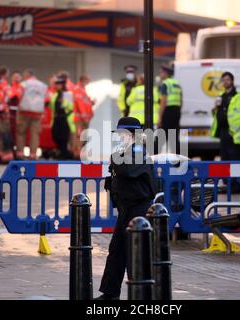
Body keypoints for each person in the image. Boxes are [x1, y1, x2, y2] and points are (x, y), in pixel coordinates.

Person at [97, 117, 156, 300]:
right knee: (117, 251)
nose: (119, 137)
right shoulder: (126, 150)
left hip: (138, 208)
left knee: (135, 253)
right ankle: (110, 293)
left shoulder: (138, 150)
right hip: (126, 208)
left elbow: (128, 170)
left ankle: (140, 294)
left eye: (122, 134)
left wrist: (115, 159)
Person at [210, 72, 240, 193]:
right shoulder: (221, 96)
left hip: (233, 134)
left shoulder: (238, 96)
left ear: (232, 81)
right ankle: (227, 185)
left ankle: (236, 186)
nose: (225, 82)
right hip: (223, 132)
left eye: (228, 79)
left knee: (234, 159)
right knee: (224, 159)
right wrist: (215, 109)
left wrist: (233, 130)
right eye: (224, 80)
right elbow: (217, 114)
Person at [16, 69, 48, 160]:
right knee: (35, 134)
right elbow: (47, 99)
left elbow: (17, 96)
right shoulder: (43, 85)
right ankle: (33, 154)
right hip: (37, 112)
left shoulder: (23, 84)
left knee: (21, 132)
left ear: (27, 75)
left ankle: (20, 153)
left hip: (24, 111)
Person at [158, 64, 182, 154]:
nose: (160, 75)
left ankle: (154, 160)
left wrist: (160, 117)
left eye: (161, 73)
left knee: (161, 135)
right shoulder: (177, 84)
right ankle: (177, 160)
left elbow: (163, 101)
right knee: (174, 137)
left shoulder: (165, 84)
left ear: (166, 73)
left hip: (168, 111)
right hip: (176, 111)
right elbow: (181, 100)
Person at [50, 76, 75, 160]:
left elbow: (71, 107)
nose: (57, 86)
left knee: (64, 137)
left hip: (65, 118)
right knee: (55, 136)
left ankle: (64, 154)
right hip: (56, 118)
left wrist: (64, 103)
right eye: (56, 84)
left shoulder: (68, 94)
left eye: (59, 84)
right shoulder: (55, 95)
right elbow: (52, 106)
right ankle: (62, 152)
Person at [73, 74, 95, 155]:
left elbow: (85, 103)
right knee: (79, 135)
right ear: (83, 80)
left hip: (84, 117)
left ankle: (79, 151)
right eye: (87, 80)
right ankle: (77, 152)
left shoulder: (83, 89)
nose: (88, 82)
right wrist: (84, 115)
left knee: (83, 135)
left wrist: (91, 103)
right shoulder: (78, 89)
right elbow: (79, 103)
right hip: (80, 117)